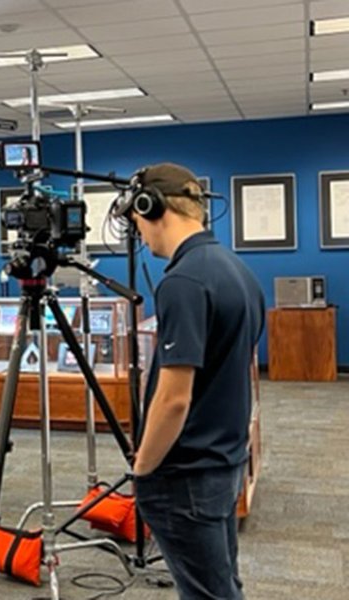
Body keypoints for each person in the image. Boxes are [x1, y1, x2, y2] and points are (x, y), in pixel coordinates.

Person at [127, 163, 265, 599]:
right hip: (224, 462)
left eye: (137, 223)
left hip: (186, 475)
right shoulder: (235, 269)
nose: (140, 236)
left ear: (152, 209)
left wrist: (143, 469)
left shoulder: (183, 281)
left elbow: (173, 399)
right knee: (221, 587)